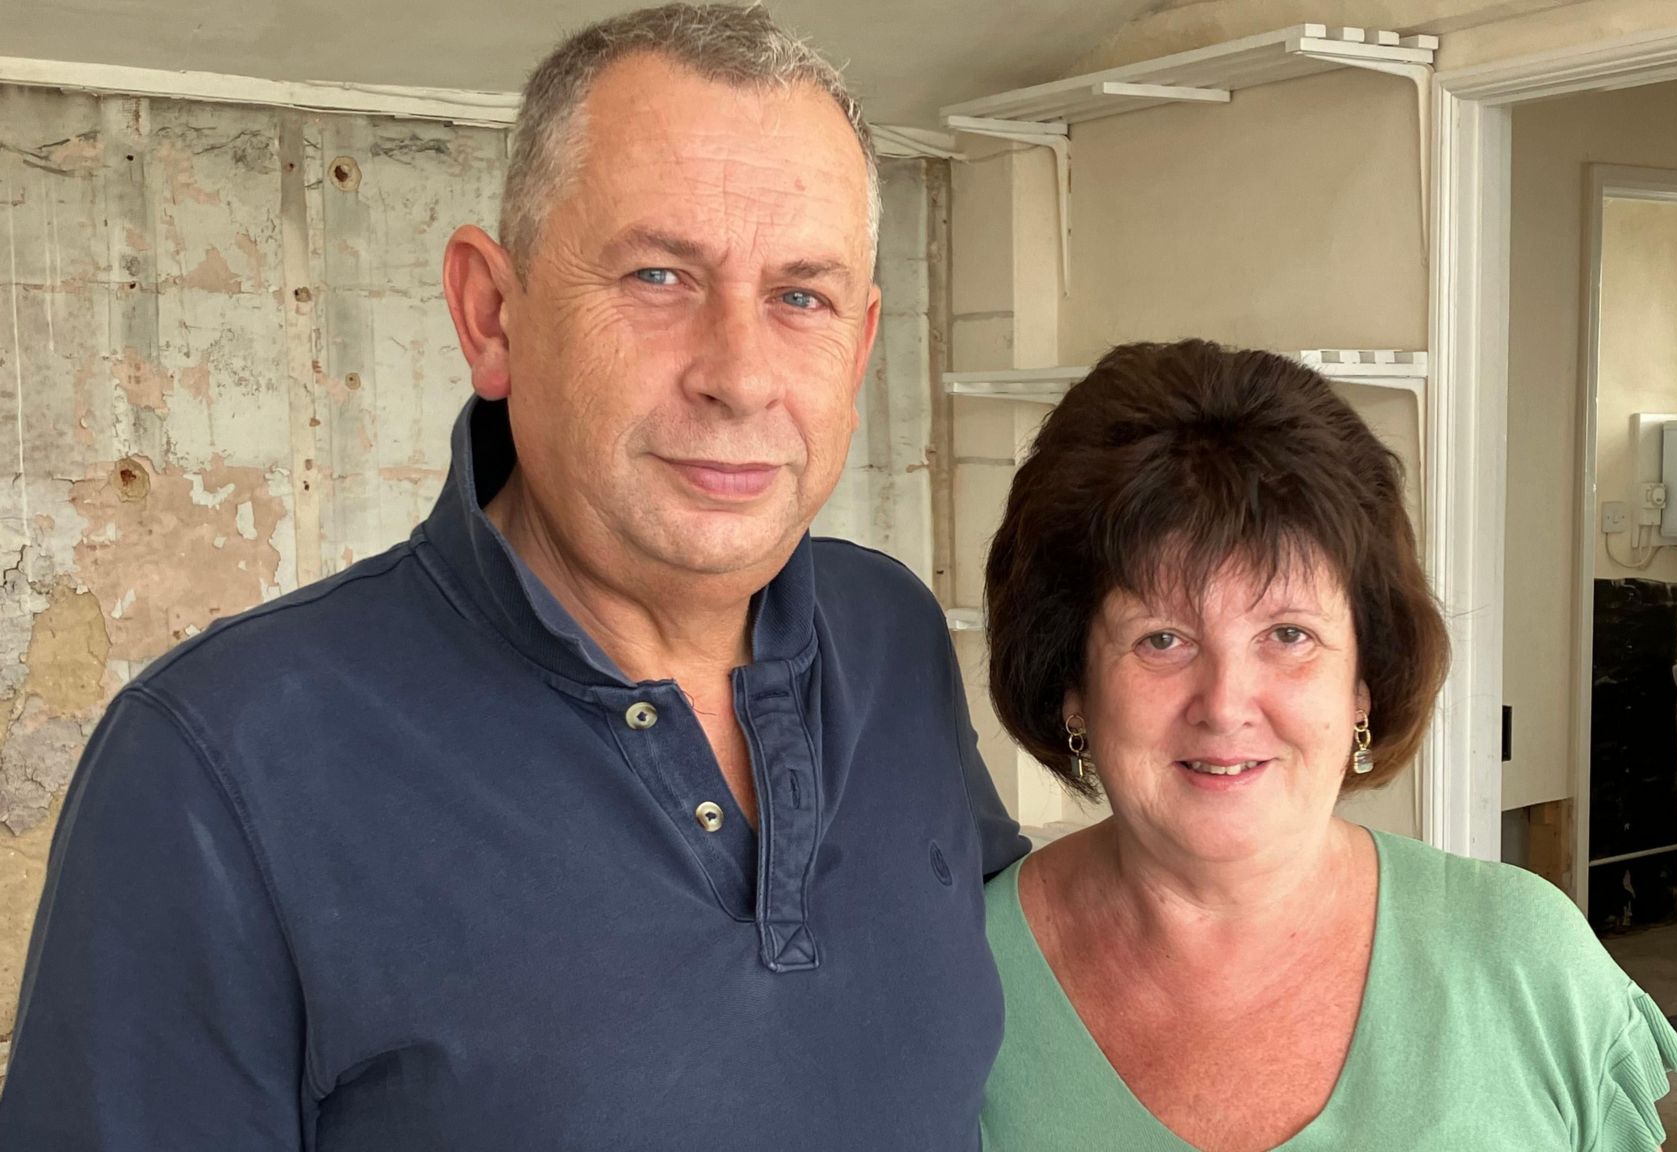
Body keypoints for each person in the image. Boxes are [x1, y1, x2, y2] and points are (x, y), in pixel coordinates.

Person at [0, 5, 1024, 1148]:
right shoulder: (218, 762)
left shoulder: (886, 632)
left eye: (800, 296)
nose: (740, 376)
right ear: (492, 315)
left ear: (860, 347)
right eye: (657, 274)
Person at [976, 339, 1677, 1152]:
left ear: (1364, 682)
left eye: (1289, 633)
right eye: (1163, 639)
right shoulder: (955, 976)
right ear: (1072, 683)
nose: (1226, 704)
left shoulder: (1528, 962)